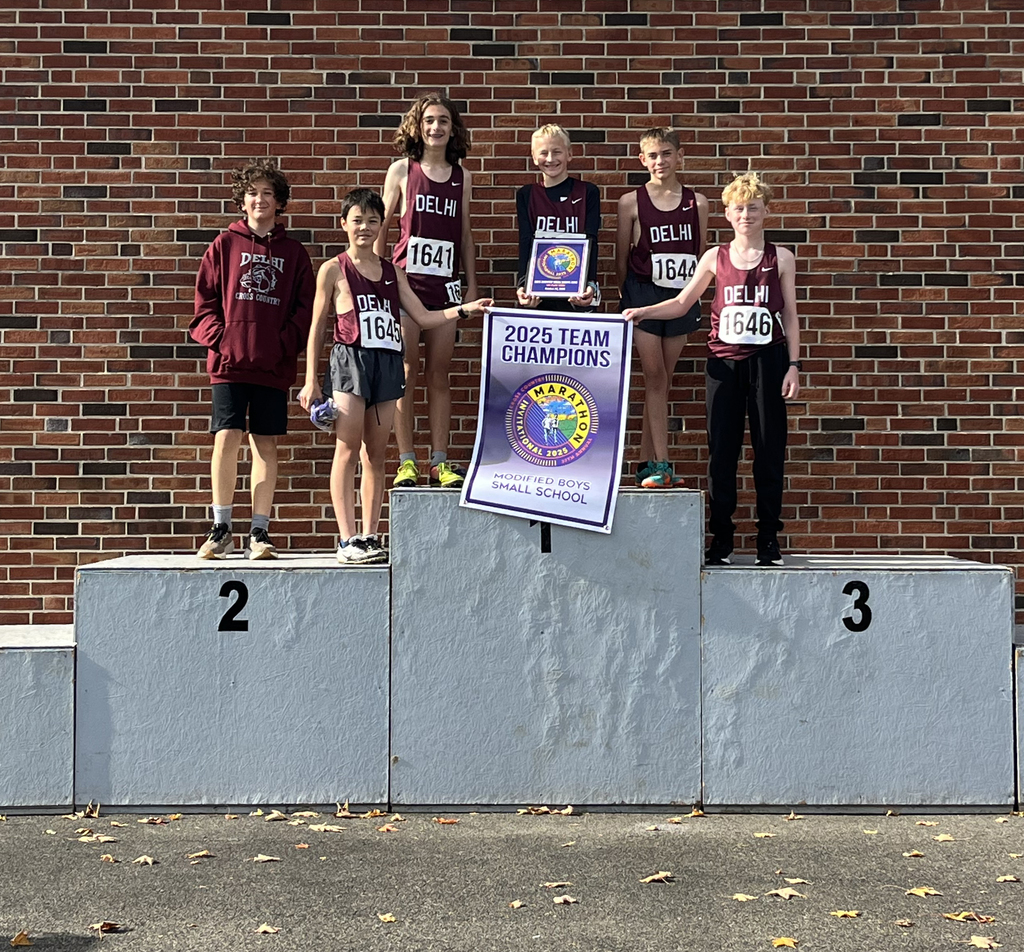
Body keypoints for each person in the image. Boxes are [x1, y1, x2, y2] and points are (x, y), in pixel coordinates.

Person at [299, 189, 492, 565]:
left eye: (373, 221)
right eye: (357, 220)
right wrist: (309, 380)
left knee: (376, 453)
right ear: (344, 224)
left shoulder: (394, 272)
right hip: (350, 362)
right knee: (347, 447)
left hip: (387, 363)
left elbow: (423, 317)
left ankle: (370, 535)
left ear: (381, 225)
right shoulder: (334, 269)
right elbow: (317, 327)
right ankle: (346, 538)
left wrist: (464, 310)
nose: (365, 227)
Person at [624, 172, 801, 567]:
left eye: (753, 208)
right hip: (723, 364)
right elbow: (683, 303)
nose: (746, 215)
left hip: (768, 362)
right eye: (739, 209)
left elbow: (790, 315)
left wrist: (793, 365)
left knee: (769, 451)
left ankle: (768, 540)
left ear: (766, 212)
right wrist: (642, 312)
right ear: (727, 214)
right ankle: (720, 538)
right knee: (722, 452)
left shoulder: (782, 258)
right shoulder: (714, 257)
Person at [190, 159, 314, 560]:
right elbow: (203, 306)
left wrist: (281, 345)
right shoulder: (223, 246)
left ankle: (259, 532)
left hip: (272, 366)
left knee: (265, 444)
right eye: (252, 193)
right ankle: (221, 526)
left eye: (267, 193)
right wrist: (222, 340)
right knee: (226, 438)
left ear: (279, 202)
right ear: (241, 202)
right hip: (228, 364)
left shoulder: (294, 254)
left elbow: (304, 311)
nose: (259, 200)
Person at [376, 92, 478, 489]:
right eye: (429, 120)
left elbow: (465, 235)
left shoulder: (462, 176)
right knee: (405, 372)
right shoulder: (402, 170)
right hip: (406, 285)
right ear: (418, 127)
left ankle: (440, 460)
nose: (436, 128)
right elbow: (383, 228)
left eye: (444, 121)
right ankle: (406, 461)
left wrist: (472, 285)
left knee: (440, 374)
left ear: (453, 129)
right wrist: (378, 280)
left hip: (447, 288)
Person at [615, 127, 708, 489]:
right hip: (643, 296)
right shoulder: (630, 202)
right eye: (653, 155)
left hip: (680, 299)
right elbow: (619, 258)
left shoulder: (697, 203)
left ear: (679, 156)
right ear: (643, 160)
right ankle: (663, 465)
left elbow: (700, 256)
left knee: (661, 383)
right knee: (654, 377)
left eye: (667, 154)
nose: (660, 161)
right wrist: (630, 298)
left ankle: (643, 464)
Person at [515, 123, 601, 313]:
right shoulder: (526, 195)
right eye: (543, 153)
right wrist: (522, 284)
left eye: (557, 152)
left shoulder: (588, 192)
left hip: (577, 292)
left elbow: (591, 241)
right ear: (534, 157)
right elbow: (525, 242)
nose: (550, 159)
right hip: (538, 293)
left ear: (569, 154)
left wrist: (591, 285)